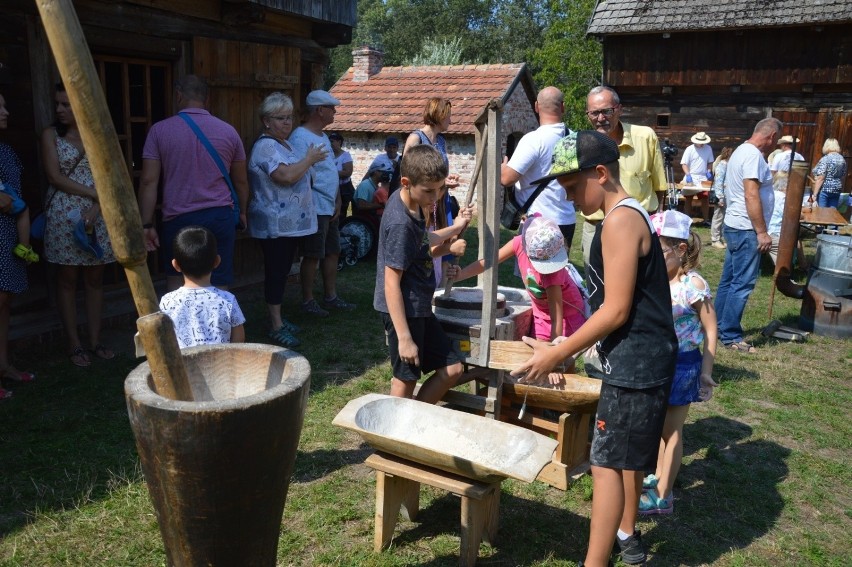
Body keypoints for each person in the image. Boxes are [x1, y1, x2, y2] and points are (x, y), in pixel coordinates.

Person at [512, 131, 677, 567]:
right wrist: (567, 342)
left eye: (571, 188)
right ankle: (626, 535)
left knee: (605, 465)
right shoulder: (619, 217)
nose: (567, 200)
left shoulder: (620, 221)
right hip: (638, 357)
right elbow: (614, 305)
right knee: (621, 459)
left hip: (637, 362)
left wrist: (554, 353)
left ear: (600, 173)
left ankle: (595, 562)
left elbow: (617, 310)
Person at [373, 144, 472, 404]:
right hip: (404, 310)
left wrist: (453, 231)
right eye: (429, 191)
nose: (436, 197)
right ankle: (393, 439)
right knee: (405, 378)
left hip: (420, 306)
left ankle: (412, 419)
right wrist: (404, 338)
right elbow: (391, 283)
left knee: (452, 369)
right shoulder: (400, 224)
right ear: (406, 182)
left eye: (440, 189)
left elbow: (421, 244)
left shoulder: (414, 202)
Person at [138, 75, 249, 292]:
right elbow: (241, 181)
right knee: (219, 281)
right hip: (219, 216)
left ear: (178, 95)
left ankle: (177, 325)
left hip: (179, 218)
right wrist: (242, 211)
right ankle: (220, 325)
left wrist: (146, 225)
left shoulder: (159, 131)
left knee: (176, 279)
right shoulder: (229, 131)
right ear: (207, 98)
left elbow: (148, 181)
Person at [640, 210, 718, 516]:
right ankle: (658, 475)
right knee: (659, 426)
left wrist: (706, 373)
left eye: (657, 251)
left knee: (672, 432)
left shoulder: (693, 285)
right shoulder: (655, 277)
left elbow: (711, 329)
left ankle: (664, 495)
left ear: (681, 249)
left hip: (683, 366)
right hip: (655, 362)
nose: (651, 258)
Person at [41, 83, 117, 368]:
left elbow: (110, 175)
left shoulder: (98, 136)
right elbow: (55, 177)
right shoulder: (50, 135)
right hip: (64, 214)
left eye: (66, 105)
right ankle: (74, 343)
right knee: (67, 280)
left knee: (96, 279)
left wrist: (98, 206)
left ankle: (95, 340)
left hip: (97, 214)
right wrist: (94, 195)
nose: (59, 110)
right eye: (57, 104)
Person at [247, 92, 326, 347]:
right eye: (280, 118)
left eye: (289, 117)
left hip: (288, 225)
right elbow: (284, 176)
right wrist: (310, 159)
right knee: (276, 272)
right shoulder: (265, 146)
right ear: (266, 120)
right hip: (275, 224)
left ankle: (278, 319)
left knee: (281, 272)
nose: (286, 123)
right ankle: (275, 324)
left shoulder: (284, 144)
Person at [455, 214, 587, 359]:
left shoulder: (553, 273)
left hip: (566, 318)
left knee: (563, 363)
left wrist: (553, 356)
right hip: (541, 314)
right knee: (536, 357)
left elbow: (557, 318)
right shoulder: (518, 243)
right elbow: (489, 261)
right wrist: (460, 275)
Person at [715, 117, 782, 353]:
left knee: (729, 280)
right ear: (772, 136)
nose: (775, 145)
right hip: (746, 229)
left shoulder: (741, 151)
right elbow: (751, 195)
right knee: (742, 284)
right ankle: (730, 336)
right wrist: (762, 232)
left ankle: (716, 326)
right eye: (776, 141)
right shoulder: (753, 156)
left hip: (735, 225)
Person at [582, 86, 666, 268]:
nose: (600, 118)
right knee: (597, 287)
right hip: (596, 228)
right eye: (594, 113)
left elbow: (659, 187)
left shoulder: (645, 137)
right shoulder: (583, 145)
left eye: (606, 111)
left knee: (639, 288)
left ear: (619, 109)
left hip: (638, 228)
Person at [289, 89, 355, 316]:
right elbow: (300, 173)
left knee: (332, 251)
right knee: (313, 254)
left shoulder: (323, 137)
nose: (335, 112)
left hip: (329, 205)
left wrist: (337, 199)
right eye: (331, 108)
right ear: (319, 110)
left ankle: (331, 296)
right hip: (314, 206)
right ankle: (308, 301)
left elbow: (329, 171)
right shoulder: (299, 137)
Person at [501, 86, 576, 249]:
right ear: (563, 107)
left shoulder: (533, 140)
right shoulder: (573, 138)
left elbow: (507, 179)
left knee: (532, 274)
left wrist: (503, 167)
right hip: (566, 219)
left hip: (538, 222)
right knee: (559, 273)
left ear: (536, 106)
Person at [403, 97, 461, 286]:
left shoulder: (442, 141)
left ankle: (440, 287)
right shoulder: (416, 138)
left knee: (445, 241)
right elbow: (407, 173)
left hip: (441, 200)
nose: (450, 121)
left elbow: (437, 173)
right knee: (427, 243)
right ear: (439, 115)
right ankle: (423, 282)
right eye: (448, 116)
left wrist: (446, 181)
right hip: (423, 202)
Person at [0, 92, 36, 395]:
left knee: (4, 303)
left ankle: (3, 365)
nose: (5, 110)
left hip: (7, 236)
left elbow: (15, 200)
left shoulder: (6, 152)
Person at [159, 226, 245, 349]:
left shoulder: (167, 301)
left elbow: (163, 339)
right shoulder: (228, 299)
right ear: (217, 261)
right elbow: (239, 337)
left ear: (175, 265)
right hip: (220, 365)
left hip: (183, 366)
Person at [0, 95, 36, 265]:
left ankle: (24, 248)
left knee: (8, 289)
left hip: (10, 228)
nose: (5, 112)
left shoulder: (6, 149)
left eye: (4, 106)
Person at [680, 131, 714, 224]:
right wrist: (688, 175)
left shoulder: (708, 148)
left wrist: (709, 171)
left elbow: (710, 162)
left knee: (705, 198)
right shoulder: (689, 149)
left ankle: (706, 220)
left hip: (703, 178)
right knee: (689, 198)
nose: (701, 143)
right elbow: (684, 164)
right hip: (691, 176)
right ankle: (687, 220)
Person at [811, 138, 847, 209]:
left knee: (821, 212)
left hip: (825, 189)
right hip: (837, 189)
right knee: (832, 213)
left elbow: (821, 178)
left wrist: (814, 194)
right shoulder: (842, 159)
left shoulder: (826, 159)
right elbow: (843, 174)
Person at [709, 147, 733, 249]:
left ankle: (722, 238)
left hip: (728, 196)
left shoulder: (729, 165)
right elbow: (718, 182)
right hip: (721, 196)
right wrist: (720, 198)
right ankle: (715, 239)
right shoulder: (722, 165)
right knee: (718, 218)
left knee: (724, 219)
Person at [329, 132, 354, 222]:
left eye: (332, 141)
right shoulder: (329, 156)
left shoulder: (345, 156)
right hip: (332, 187)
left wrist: (331, 173)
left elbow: (348, 172)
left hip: (344, 188)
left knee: (346, 211)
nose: (330, 144)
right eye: (329, 141)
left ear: (339, 142)